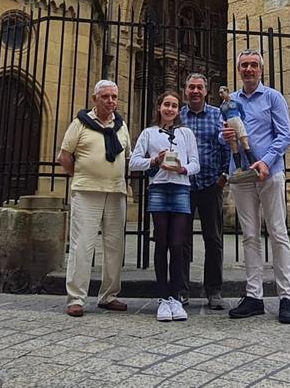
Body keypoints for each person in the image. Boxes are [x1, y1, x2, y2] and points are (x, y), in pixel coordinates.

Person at [221, 49, 290, 324]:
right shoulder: (231, 101)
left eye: (253, 65)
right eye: (244, 65)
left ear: (260, 70)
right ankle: (254, 296)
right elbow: (224, 139)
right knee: (250, 236)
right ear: (239, 70)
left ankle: (286, 297)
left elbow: (284, 135)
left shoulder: (272, 97)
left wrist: (265, 161)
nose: (249, 69)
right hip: (241, 176)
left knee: (278, 233)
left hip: (269, 174)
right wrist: (224, 135)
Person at [56, 80, 132, 317]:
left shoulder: (121, 126)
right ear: (95, 98)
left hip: (116, 191)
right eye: (106, 96)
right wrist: (82, 174)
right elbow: (64, 156)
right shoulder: (80, 123)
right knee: (82, 245)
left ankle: (109, 295)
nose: (110, 101)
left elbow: (127, 157)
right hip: (87, 191)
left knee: (114, 246)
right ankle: (76, 298)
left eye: (114, 97)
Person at [129, 90, 200, 322]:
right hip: (158, 190)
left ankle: (177, 297)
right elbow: (134, 162)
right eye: (166, 104)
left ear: (179, 110)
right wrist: (155, 160)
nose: (170, 109)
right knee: (161, 243)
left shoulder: (186, 133)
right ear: (159, 107)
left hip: (180, 189)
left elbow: (195, 164)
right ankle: (162, 298)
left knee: (178, 244)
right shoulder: (148, 133)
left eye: (174, 106)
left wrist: (183, 170)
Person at [181, 73, 231, 310]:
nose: (195, 91)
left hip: (212, 183)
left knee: (213, 238)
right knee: (181, 239)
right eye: (191, 87)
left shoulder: (217, 114)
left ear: (205, 91)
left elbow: (227, 145)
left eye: (199, 87)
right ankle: (181, 289)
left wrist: (225, 175)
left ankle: (214, 290)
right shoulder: (178, 116)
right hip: (183, 185)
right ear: (186, 90)